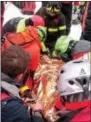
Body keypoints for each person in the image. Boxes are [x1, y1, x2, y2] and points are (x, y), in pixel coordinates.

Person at [1, 45, 44, 122]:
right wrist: (37, 113)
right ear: (20, 76)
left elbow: (16, 85)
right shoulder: (16, 111)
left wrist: (23, 96)